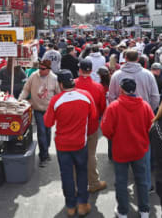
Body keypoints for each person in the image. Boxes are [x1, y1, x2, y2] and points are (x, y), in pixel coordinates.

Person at [44, 70, 98, 217]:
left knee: (66, 174)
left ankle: (70, 206)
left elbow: (48, 123)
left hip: (62, 144)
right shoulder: (86, 96)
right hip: (81, 142)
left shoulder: (56, 100)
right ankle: (82, 204)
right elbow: (94, 116)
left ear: (60, 84)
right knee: (82, 172)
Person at [101, 78, 154, 218]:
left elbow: (106, 129)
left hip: (120, 150)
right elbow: (152, 128)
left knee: (121, 181)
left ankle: (123, 211)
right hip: (140, 149)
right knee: (141, 181)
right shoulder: (145, 106)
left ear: (121, 89)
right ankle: (144, 210)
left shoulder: (114, 107)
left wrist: (114, 137)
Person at [74, 59, 107, 193]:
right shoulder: (98, 87)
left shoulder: (73, 84)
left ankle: (76, 185)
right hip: (92, 124)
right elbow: (102, 107)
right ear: (91, 70)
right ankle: (93, 182)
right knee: (91, 154)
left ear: (80, 70)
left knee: (75, 155)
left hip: (75, 125)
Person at [19, 59, 59, 167]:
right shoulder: (33, 76)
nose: (40, 70)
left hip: (49, 110)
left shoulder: (54, 78)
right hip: (37, 109)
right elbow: (26, 89)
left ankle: (46, 150)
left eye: (43, 69)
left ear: (48, 70)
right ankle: (43, 156)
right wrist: (20, 99)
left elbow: (58, 94)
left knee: (47, 131)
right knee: (41, 131)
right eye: (39, 68)